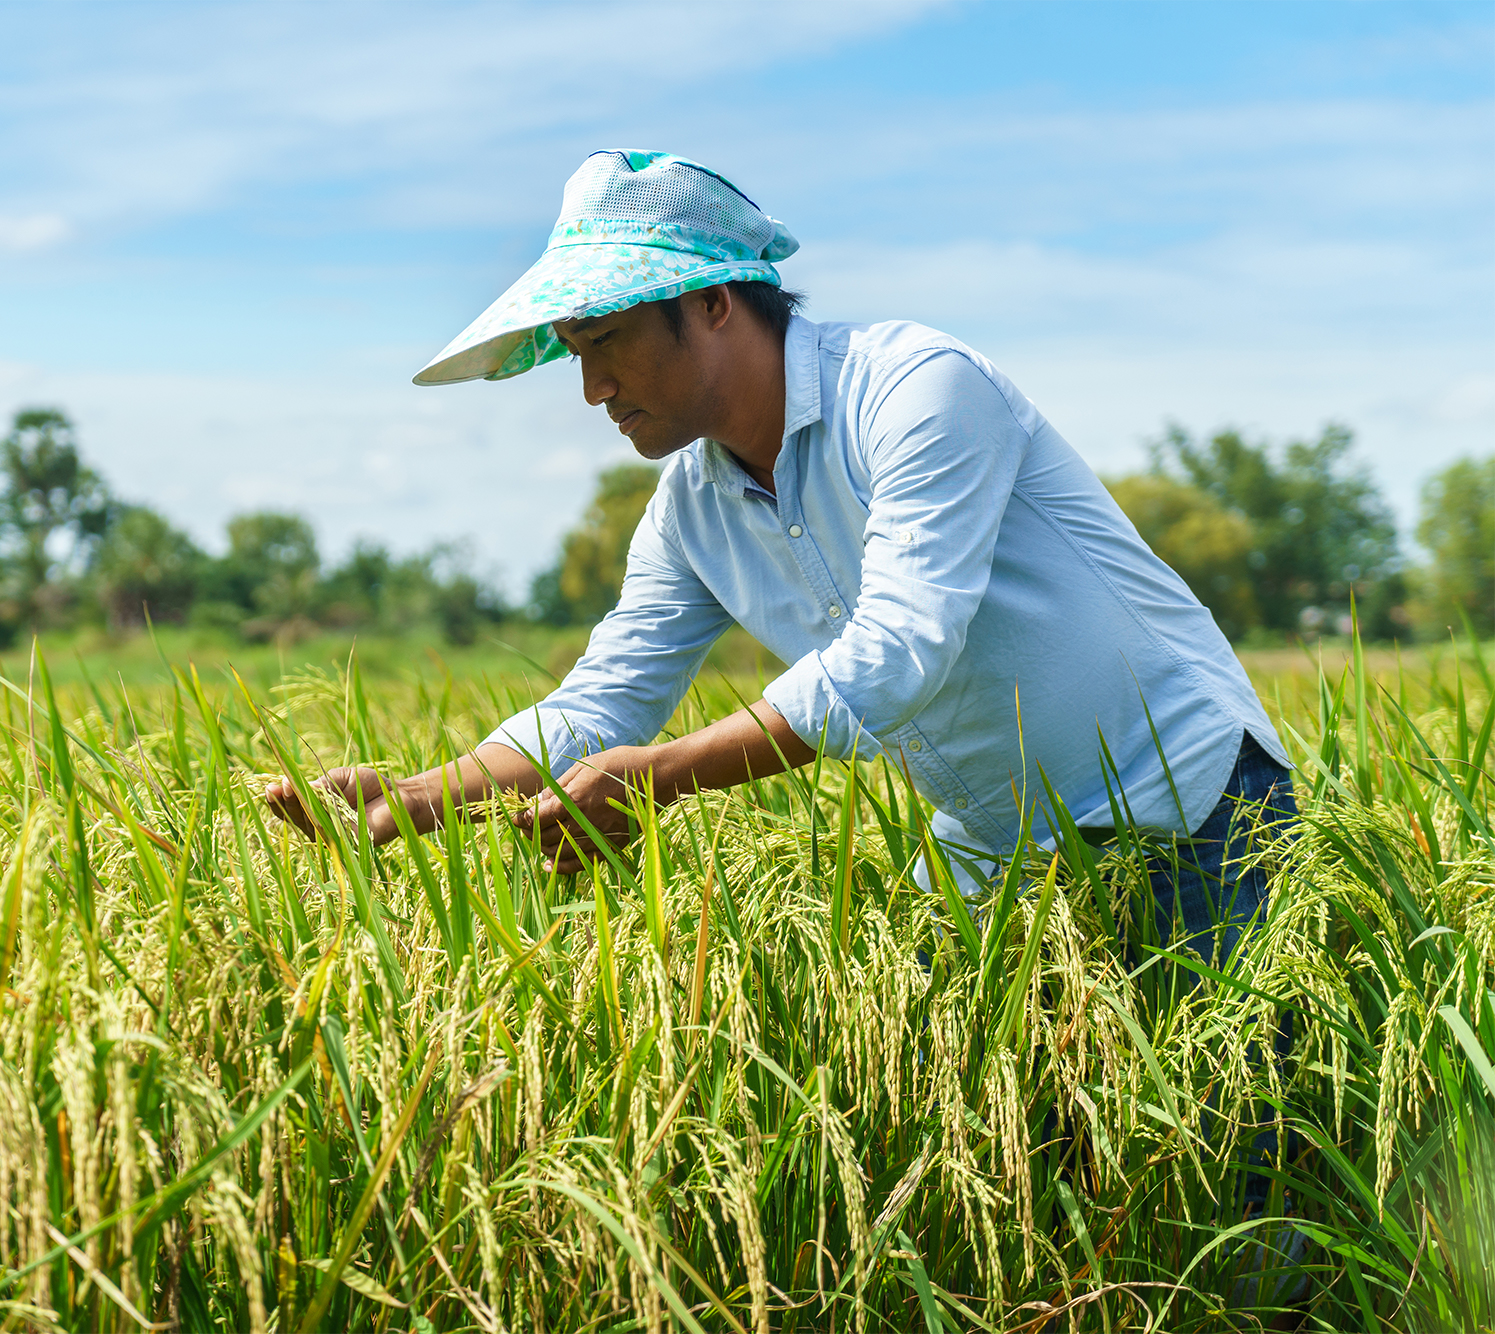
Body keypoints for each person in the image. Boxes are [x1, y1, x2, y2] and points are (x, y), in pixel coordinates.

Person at [265, 148, 1293, 964]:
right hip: (1001, 860)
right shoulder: (690, 513)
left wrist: (665, 777)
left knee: (1246, 1175)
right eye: (577, 356)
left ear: (712, 302)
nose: (592, 392)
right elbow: (602, 700)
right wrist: (415, 799)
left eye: (609, 342)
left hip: (1192, 810)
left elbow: (899, 647)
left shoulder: (914, 388)